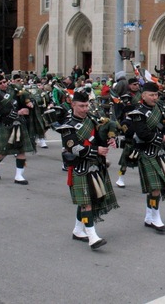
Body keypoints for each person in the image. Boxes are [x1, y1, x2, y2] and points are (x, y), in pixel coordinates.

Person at [57, 90, 118, 250]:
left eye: (87, 105)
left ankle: (78, 230)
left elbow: (101, 135)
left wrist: (110, 137)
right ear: (73, 104)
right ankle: (92, 236)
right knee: (86, 202)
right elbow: (74, 149)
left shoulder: (92, 118)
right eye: (81, 106)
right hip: (80, 167)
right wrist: (96, 150)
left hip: (95, 165)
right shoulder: (68, 126)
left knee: (87, 200)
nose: (85, 109)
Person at [129, 82, 165, 233]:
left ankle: (149, 216)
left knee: (156, 187)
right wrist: (163, 138)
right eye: (151, 95)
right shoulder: (138, 112)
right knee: (156, 187)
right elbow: (142, 134)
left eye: (156, 95)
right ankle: (156, 217)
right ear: (143, 95)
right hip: (146, 152)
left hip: (161, 152)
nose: (154, 97)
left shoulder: (161, 109)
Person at [0, 75, 36, 185]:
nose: (3, 84)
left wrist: (29, 103)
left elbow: (28, 97)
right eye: (0, 83)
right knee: (3, 152)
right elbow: (2, 111)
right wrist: (19, 112)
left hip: (20, 123)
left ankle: (19, 176)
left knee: (21, 150)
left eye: (4, 82)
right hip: (6, 125)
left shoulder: (15, 89)